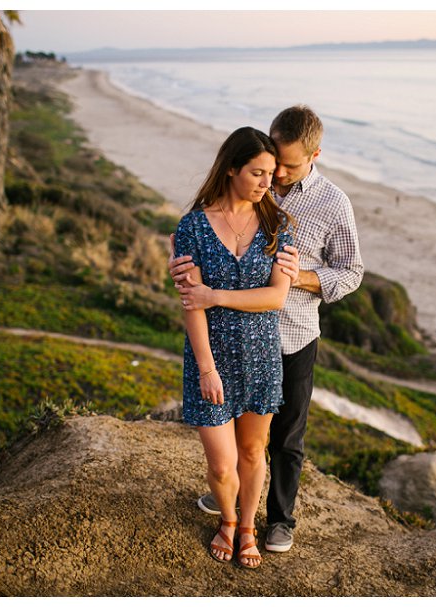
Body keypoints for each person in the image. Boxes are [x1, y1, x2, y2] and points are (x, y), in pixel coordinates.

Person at [171, 105, 364, 553]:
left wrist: (300, 276)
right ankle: (231, 501)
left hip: (291, 333)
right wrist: (186, 270)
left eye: (285, 167)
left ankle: (278, 520)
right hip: (229, 337)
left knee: (284, 438)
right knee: (232, 447)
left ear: (315, 155)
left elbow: (351, 273)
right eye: (268, 166)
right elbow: (209, 244)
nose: (274, 178)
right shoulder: (248, 193)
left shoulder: (331, 204)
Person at [174, 126, 294, 568]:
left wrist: (216, 295)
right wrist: (206, 368)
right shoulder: (192, 227)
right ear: (231, 169)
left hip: (262, 356)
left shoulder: (276, 223)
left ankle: (246, 526)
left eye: (271, 174)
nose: (268, 183)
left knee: (251, 451)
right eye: (257, 173)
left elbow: (276, 297)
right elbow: (191, 305)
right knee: (222, 465)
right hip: (211, 358)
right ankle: (226, 518)